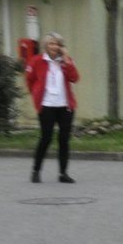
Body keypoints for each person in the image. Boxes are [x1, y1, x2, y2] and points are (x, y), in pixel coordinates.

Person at [25, 33, 79, 183]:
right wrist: (36, 95)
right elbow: (29, 80)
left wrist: (67, 59)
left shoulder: (65, 62)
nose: (54, 47)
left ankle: (63, 173)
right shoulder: (36, 61)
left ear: (61, 47)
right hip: (47, 106)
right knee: (46, 138)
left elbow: (75, 78)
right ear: (46, 46)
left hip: (65, 106)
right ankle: (36, 170)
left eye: (57, 44)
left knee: (64, 140)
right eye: (51, 44)